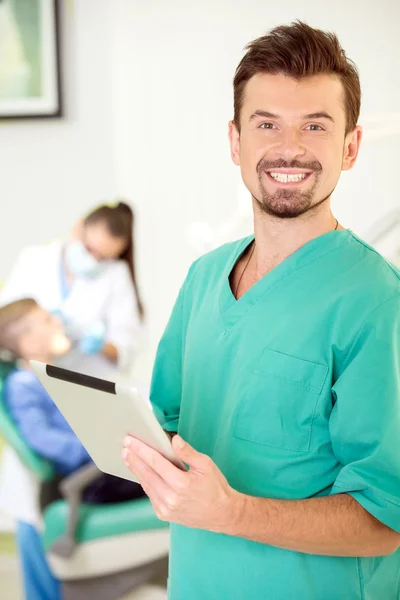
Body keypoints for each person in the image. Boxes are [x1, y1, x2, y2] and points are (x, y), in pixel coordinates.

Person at [121, 21, 400, 600]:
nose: (289, 147)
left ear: (350, 146)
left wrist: (231, 511)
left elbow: (385, 521)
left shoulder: (376, 301)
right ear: (235, 141)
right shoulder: (204, 277)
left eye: (315, 126)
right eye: (266, 124)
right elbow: (171, 423)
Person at [0, 298, 145, 600]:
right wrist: (94, 449)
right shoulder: (23, 384)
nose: (58, 322)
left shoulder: (53, 376)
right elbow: (41, 437)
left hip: (98, 469)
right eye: (47, 321)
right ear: (27, 341)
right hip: (90, 478)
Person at [0, 201, 144, 380]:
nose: (93, 260)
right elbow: (6, 320)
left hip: (86, 378)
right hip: (35, 374)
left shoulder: (116, 274)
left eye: (103, 258)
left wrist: (99, 344)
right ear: (78, 227)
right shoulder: (33, 258)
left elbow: (126, 344)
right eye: (90, 249)